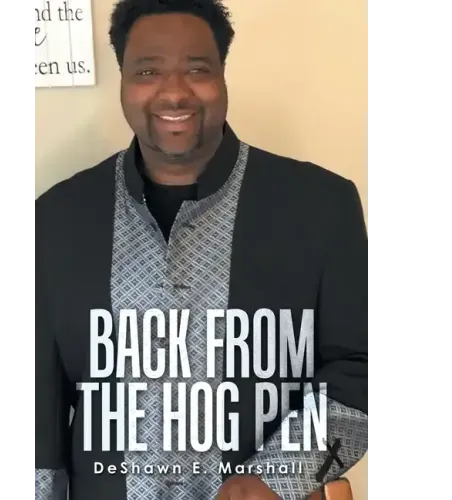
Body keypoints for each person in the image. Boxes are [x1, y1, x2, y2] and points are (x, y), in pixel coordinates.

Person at [32, 0, 368, 499]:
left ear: (222, 76)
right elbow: (35, 408)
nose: (174, 91)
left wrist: (279, 474)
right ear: (123, 81)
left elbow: (362, 369)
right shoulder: (53, 220)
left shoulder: (323, 207)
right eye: (148, 71)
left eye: (196, 69)